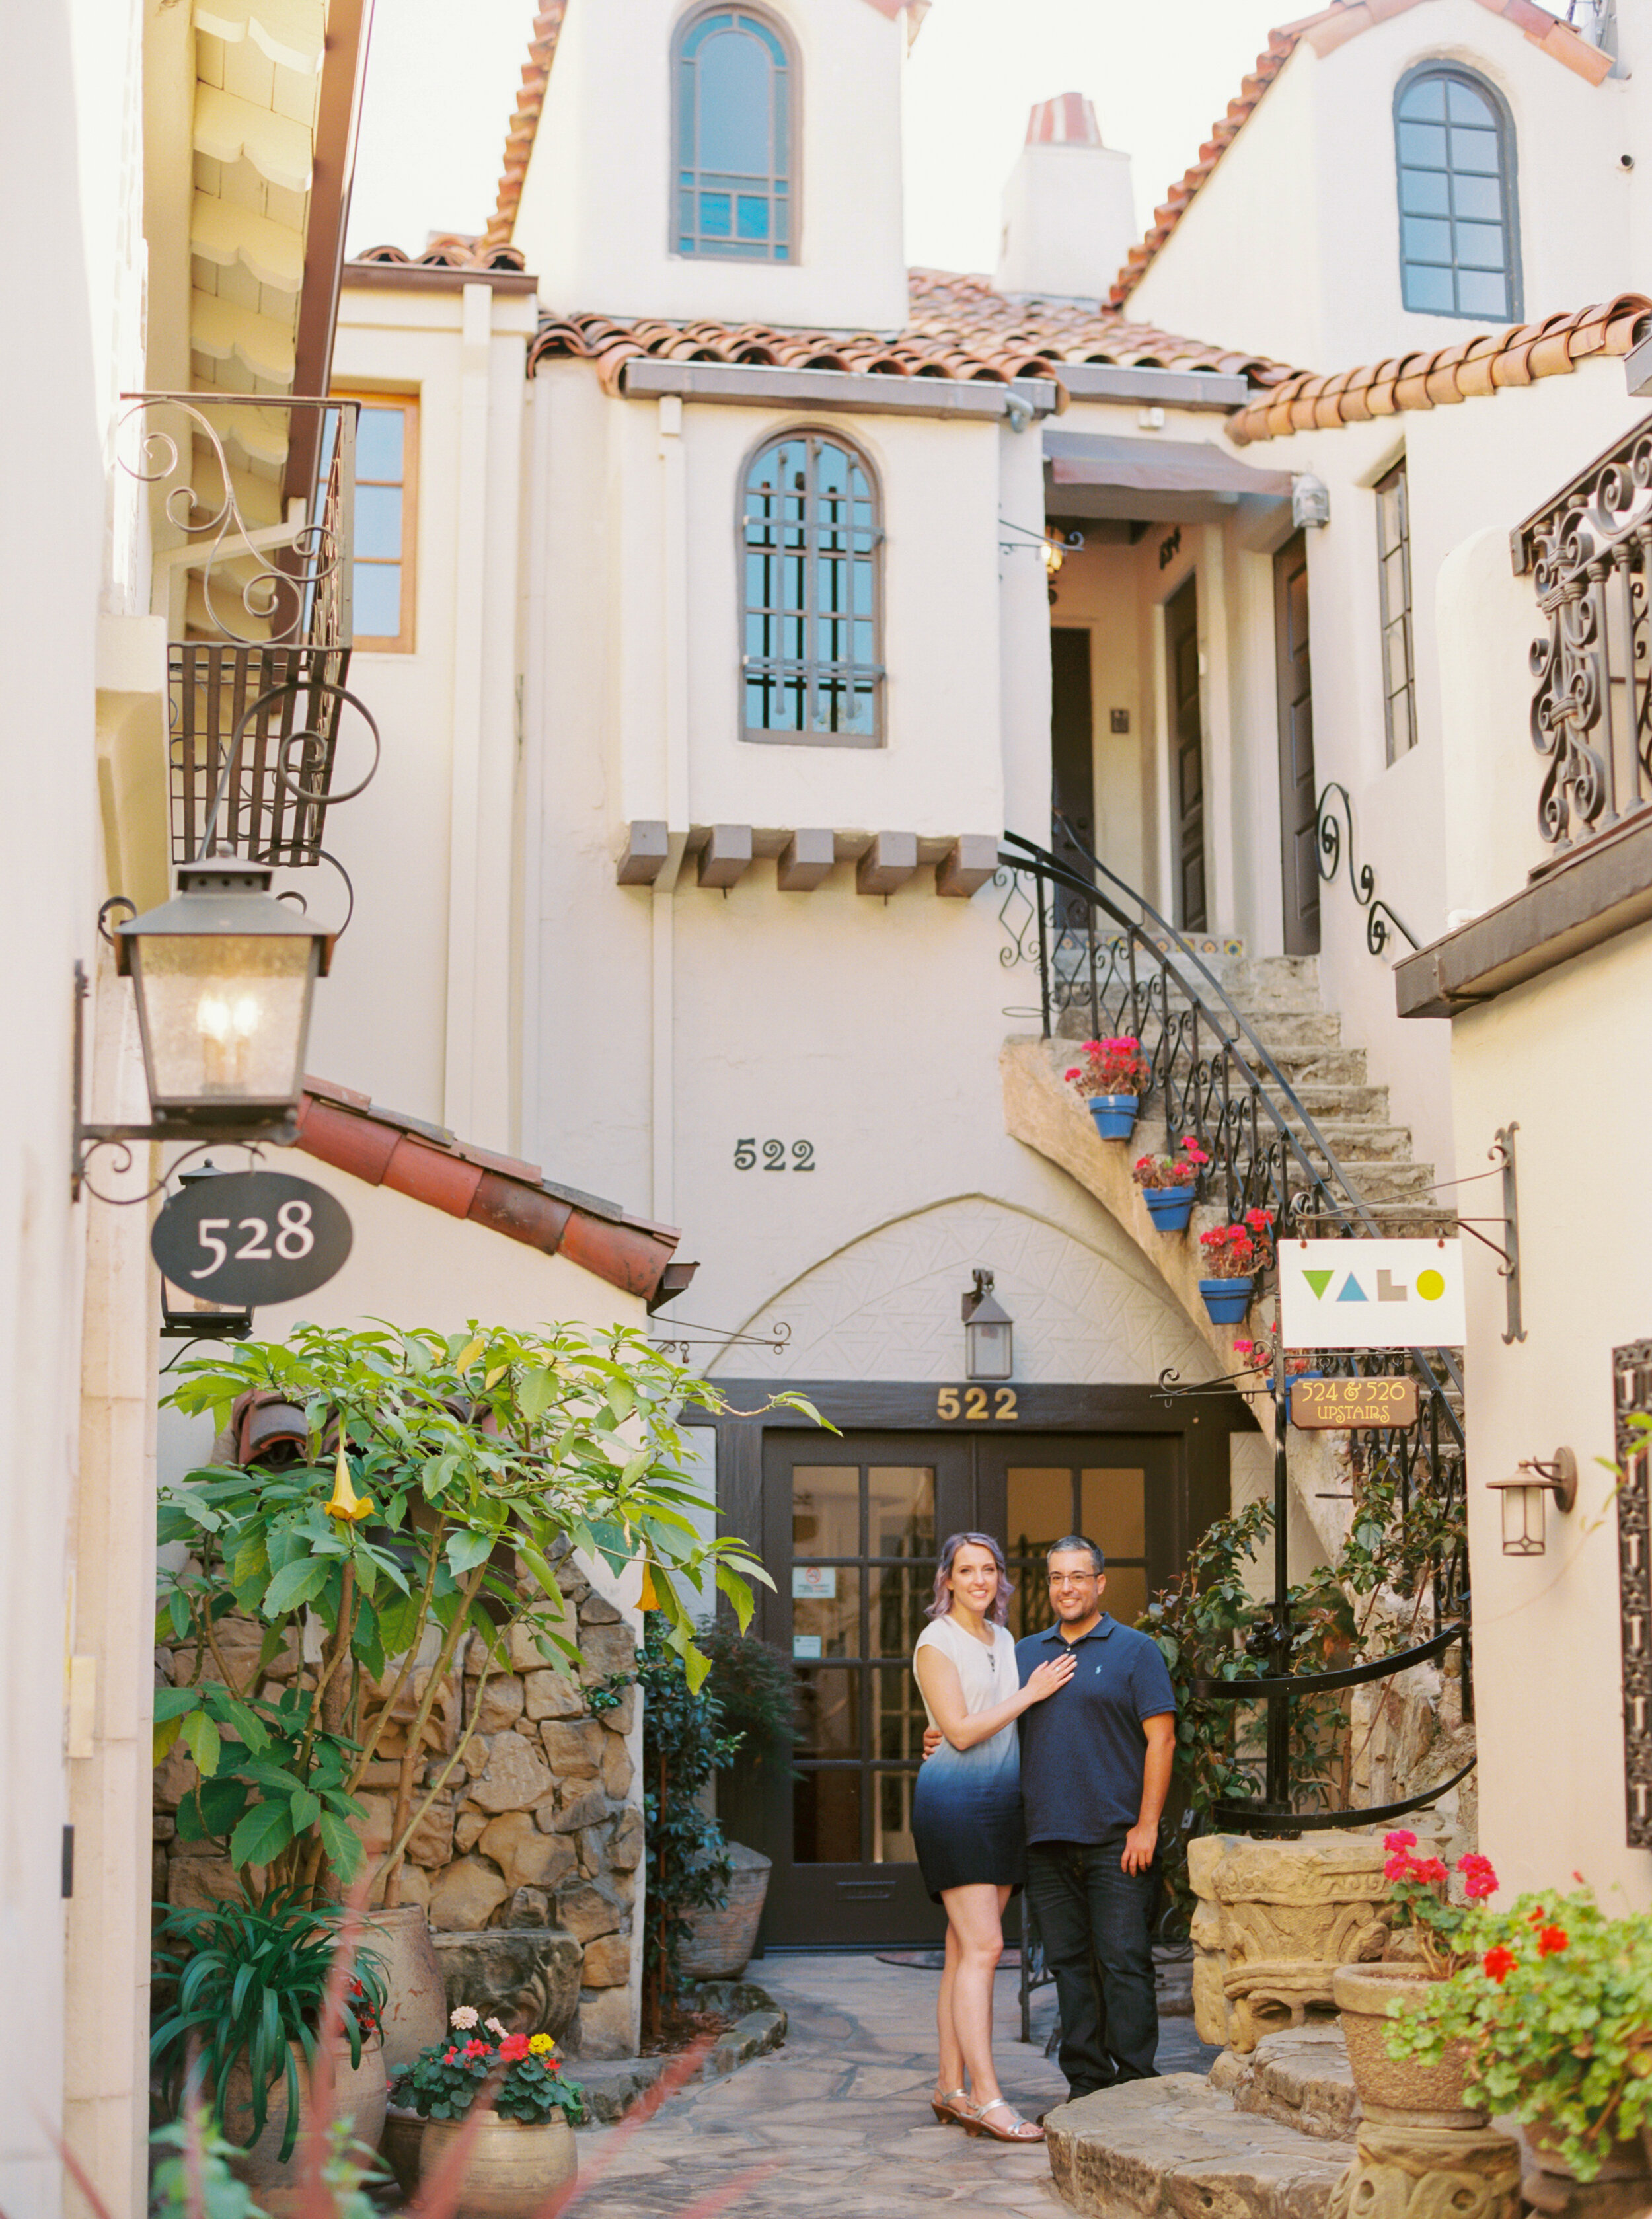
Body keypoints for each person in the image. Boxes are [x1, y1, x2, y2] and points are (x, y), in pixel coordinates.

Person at [911, 1531, 1076, 2144]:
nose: (979, 1580)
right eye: (966, 1570)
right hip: (955, 1805)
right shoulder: (936, 1641)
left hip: (1003, 1803)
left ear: (999, 1579)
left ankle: (949, 2086)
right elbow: (956, 1732)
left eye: (989, 1570)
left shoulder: (1003, 1639)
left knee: (962, 1950)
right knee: (985, 1949)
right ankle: (987, 2097)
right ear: (947, 1580)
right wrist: (1031, 1693)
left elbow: (987, 1724)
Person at [1016, 1534, 1177, 2103]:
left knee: (1124, 1963)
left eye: (1078, 1577)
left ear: (1100, 1583)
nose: (1067, 1588)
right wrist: (939, 1734)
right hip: (1046, 1840)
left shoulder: (1137, 1651)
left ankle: (1134, 2084)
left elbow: (1162, 1740)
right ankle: (1086, 2085)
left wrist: (1147, 1825)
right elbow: (991, 1722)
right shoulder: (1026, 1653)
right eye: (1057, 1578)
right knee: (1069, 1968)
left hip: (1117, 1840)